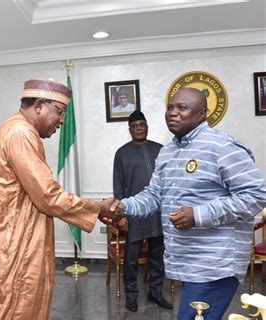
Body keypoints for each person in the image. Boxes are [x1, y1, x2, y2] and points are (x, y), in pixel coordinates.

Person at [0, 78, 115, 319]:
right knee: (5, 309)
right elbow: (48, 196)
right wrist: (97, 209)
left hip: (9, 239)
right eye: (59, 112)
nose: (61, 121)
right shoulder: (21, 133)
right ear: (40, 105)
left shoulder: (16, 129)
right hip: (4, 246)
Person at [108, 88, 266, 319]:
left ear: (201, 114)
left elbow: (255, 195)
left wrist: (198, 215)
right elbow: (153, 195)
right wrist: (122, 206)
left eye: (182, 108)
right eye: (170, 107)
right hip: (188, 263)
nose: (172, 113)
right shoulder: (168, 152)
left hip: (214, 265)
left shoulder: (221, 146)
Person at [113, 110, 171, 312]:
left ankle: (155, 292)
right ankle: (131, 296)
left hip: (158, 212)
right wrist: (121, 215)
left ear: (147, 126)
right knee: (131, 259)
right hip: (134, 213)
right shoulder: (122, 153)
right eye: (135, 126)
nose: (139, 128)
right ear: (130, 129)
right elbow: (118, 186)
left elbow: (169, 181)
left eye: (142, 125)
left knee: (158, 255)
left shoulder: (161, 150)